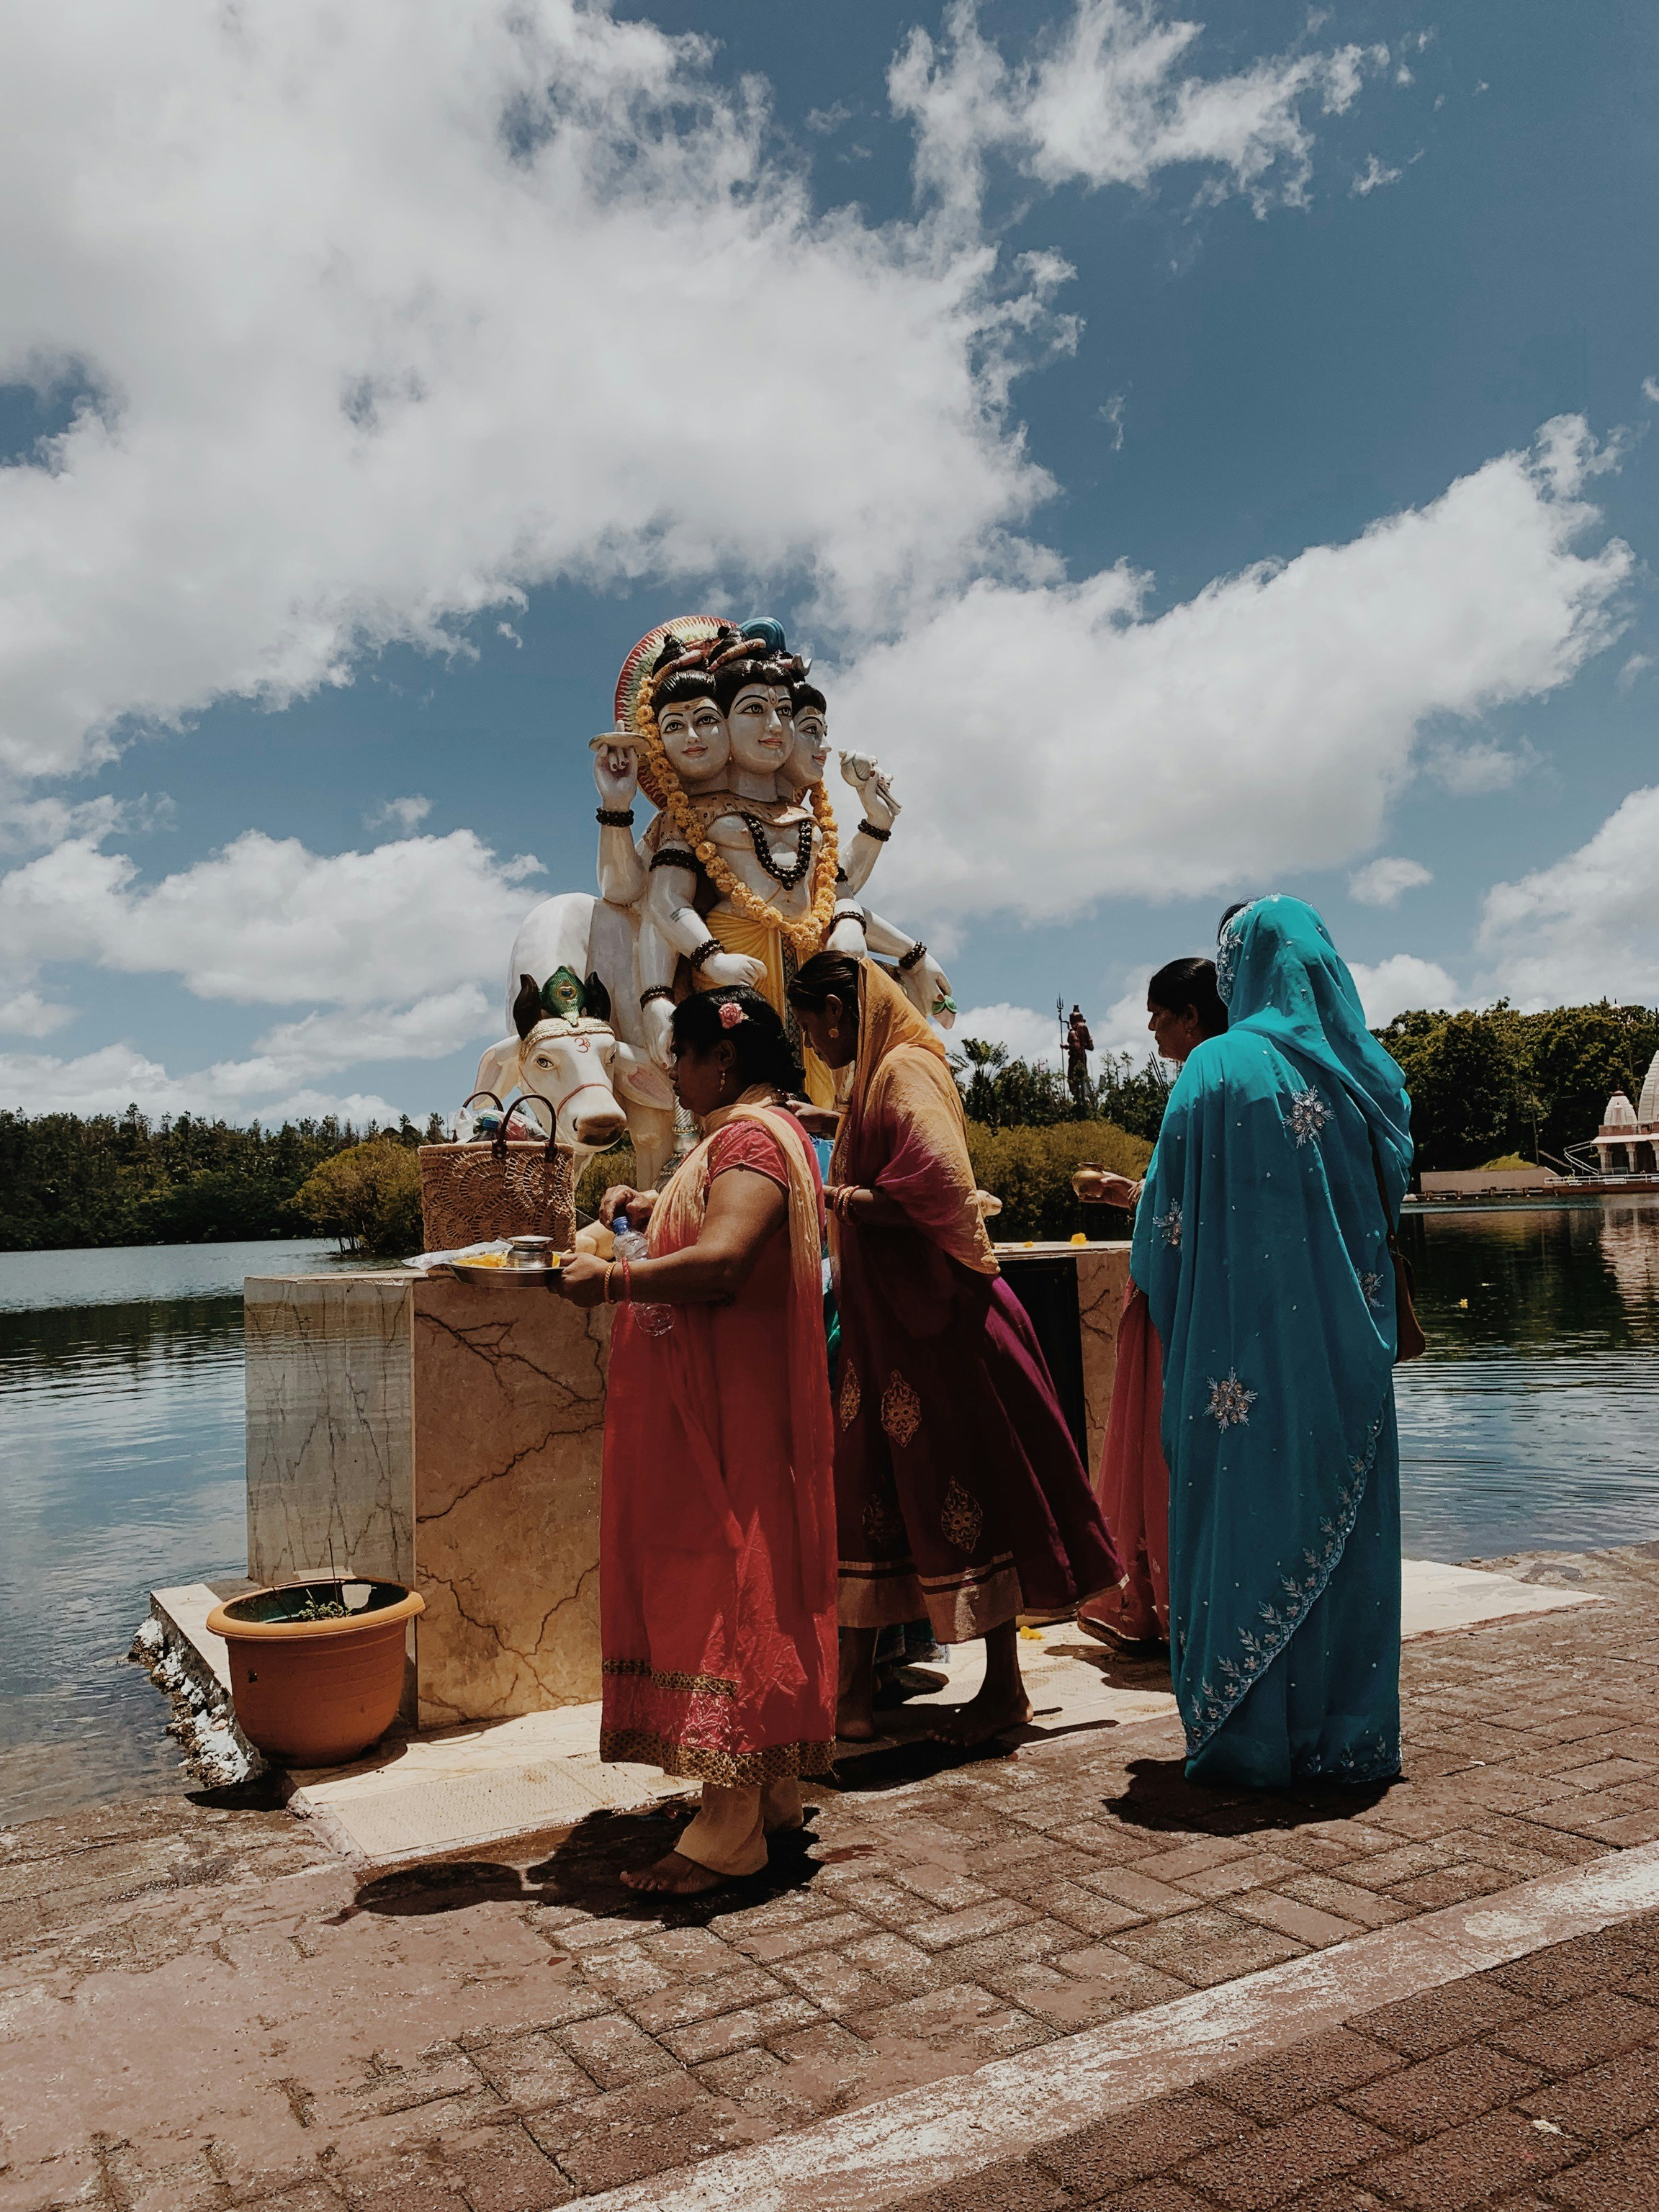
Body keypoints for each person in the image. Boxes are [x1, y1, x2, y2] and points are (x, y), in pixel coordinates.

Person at [786, 951, 1120, 1745]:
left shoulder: (905, 1068)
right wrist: (831, 1127)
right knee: (871, 1497)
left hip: (943, 1323)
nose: (811, 1042)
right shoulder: (872, 1079)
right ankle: (855, 1694)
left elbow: (938, 1177)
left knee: (979, 1487)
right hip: (888, 1329)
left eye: (810, 1025)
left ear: (839, 1012)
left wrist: (833, 1194)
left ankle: (1001, 1689)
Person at [554, 986, 837, 1892]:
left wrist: (610, 1284)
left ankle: (729, 1829)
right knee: (748, 1578)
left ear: (723, 1060)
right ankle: (771, 1790)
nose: (672, 1072)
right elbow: (706, 1226)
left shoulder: (751, 1139)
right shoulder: (745, 1137)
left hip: (727, 1416)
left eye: (680, 1055)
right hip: (727, 1405)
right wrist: (648, 1210)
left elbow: (722, 1263)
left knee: (728, 1582)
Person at [1137, 896, 1412, 1788]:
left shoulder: (1215, 1065)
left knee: (1247, 1518)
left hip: (1237, 1362)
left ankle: (1250, 1738)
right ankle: (1349, 1739)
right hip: (1348, 1356)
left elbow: (1163, 1234)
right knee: (1347, 1530)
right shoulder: (1373, 1079)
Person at [1080, 956, 1228, 1650]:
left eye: (1158, 1014)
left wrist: (1132, 1201)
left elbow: (1178, 1213)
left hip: (1172, 1297)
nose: (1149, 1027)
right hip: (1223, 1297)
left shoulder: (1200, 1083)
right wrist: (1128, 1192)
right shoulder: (1245, 1079)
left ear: (1191, 1018)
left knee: (1157, 1444)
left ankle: (1155, 1600)